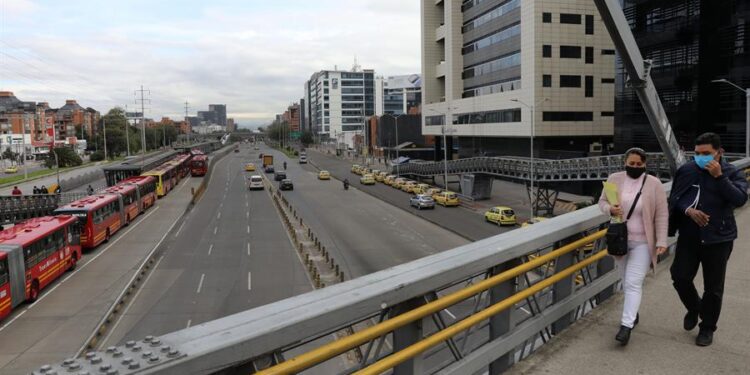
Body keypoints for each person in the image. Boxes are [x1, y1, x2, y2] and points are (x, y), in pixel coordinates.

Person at [668, 133, 747, 346]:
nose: (701, 158)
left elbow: (740, 199)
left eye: (706, 154)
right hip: (689, 236)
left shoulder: (732, 172)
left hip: (719, 238)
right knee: (679, 276)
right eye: (697, 154)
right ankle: (695, 308)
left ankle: (707, 328)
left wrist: (720, 177)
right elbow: (675, 199)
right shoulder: (687, 170)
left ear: (719, 152)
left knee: (713, 287)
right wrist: (688, 211)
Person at [599, 147, 669, 346]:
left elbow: (662, 215)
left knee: (632, 283)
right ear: (625, 162)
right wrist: (609, 209)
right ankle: (633, 313)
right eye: (632, 164)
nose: (635, 167)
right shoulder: (614, 179)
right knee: (625, 281)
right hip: (620, 239)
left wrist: (661, 241)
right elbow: (602, 202)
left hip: (643, 242)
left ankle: (626, 325)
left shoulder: (654, 184)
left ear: (645, 164)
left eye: (639, 164)